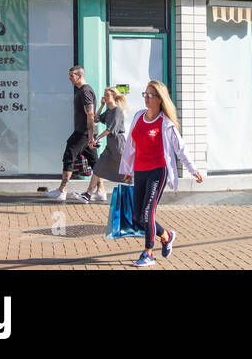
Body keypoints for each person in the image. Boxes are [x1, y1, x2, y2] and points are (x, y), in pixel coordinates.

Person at [118, 79, 203, 267]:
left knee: (147, 214)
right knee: (137, 218)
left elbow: (180, 149)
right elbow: (132, 145)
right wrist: (128, 169)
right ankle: (166, 236)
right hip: (139, 170)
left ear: (160, 98)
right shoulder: (139, 116)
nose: (146, 98)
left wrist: (193, 169)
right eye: (145, 95)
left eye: (151, 95)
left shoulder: (165, 123)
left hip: (158, 171)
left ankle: (148, 253)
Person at [43, 66, 98, 201]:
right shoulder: (82, 90)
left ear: (79, 76)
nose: (69, 78)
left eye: (71, 75)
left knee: (69, 154)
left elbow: (90, 114)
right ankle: (101, 190)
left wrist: (90, 136)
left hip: (83, 132)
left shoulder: (85, 91)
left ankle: (62, 190)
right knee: (94, 162)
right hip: (85, 132)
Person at [78, 87, 128, 203]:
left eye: (107, 95)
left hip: (118, 144)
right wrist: (101, 106)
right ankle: (88, 194)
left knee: (126, 170)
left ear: (114, 97)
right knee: (98, 167)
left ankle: (136, 189)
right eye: (104, 94)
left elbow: (110, 129)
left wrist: (96, 139)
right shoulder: (109, 110)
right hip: (110, 144)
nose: (104, 96)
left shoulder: (117, 111)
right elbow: (96, 118)